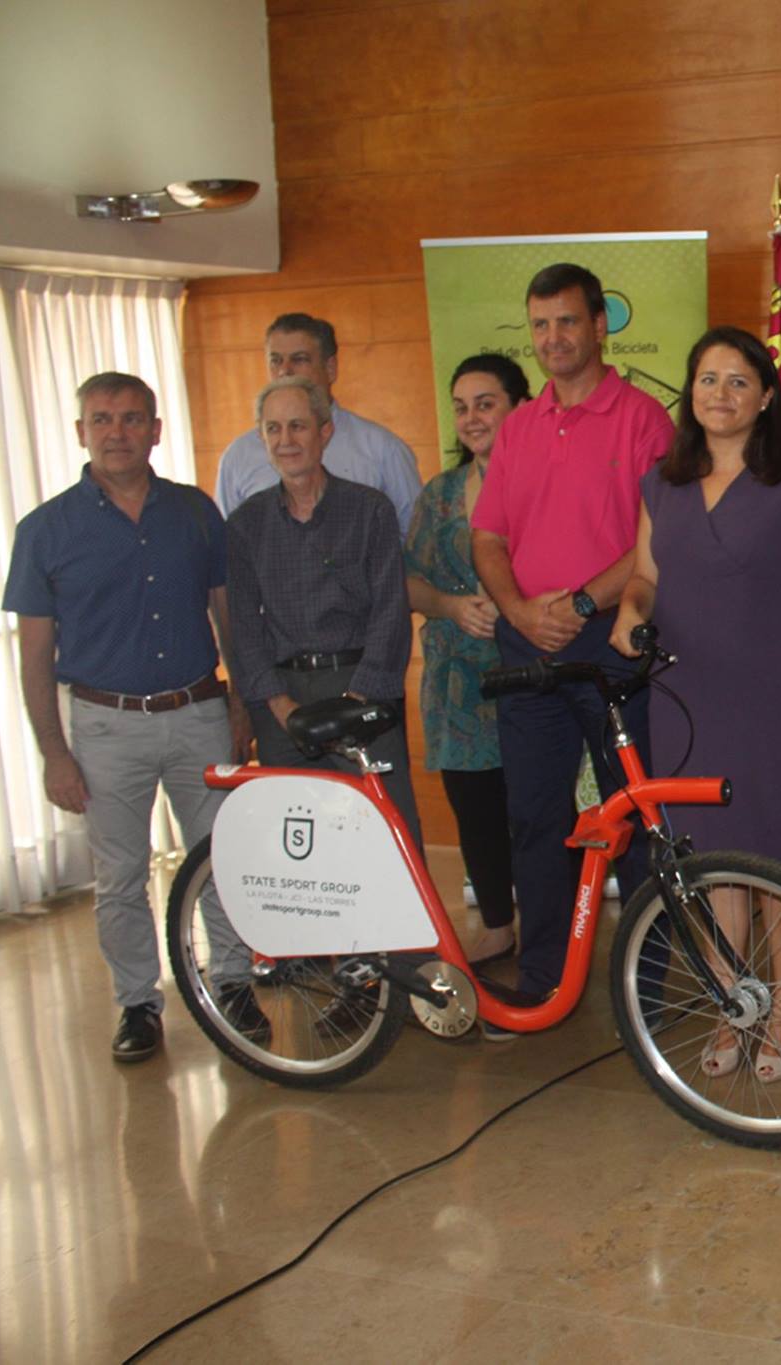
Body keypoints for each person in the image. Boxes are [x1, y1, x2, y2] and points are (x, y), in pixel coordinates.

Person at [613, 326, 781, 1082]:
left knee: (779, 862)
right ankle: (732, 1003)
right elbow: (645, 575)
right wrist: (629, 609)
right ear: (690, 392)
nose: (721, 394)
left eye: (739, 381)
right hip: (687, 702)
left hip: (777, 702)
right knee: (712, 867)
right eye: (708, 379)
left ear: (766, 397)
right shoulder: (661, 484)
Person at [4, 372, 259, 1063]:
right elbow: (34, 656)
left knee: (221, 857)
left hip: (199, 711)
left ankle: (233, 982)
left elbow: (228, 615)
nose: (117, 432)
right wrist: (53, 753)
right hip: (104, 727)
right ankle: (138, 1002)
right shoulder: (44, 530)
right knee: (120, 874)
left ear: (155, 430)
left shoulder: (195, 512)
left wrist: (240, 702)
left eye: (131, 418)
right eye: (102, 419)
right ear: (80, 432)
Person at [471, 263, 676, 1006]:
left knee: (635, 814)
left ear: (598, 325)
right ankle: (543, 980)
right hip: (527, 644)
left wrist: (583, 604)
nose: (553, 337)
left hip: (609, 644)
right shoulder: (518, 426)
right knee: (534, 817)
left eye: (566, 321)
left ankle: (648, 987)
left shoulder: (645, 420)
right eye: (540, 325)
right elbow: (488, 538)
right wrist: (523, 612)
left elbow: (659, 540)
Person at [227, 376, 420, 840]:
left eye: (297, 426)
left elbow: (391, 613)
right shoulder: (246, 524)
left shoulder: (370, 510)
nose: (286, 440)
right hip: (282, 701)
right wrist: (279, 705)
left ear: (325, 431)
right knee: (302, 847)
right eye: (273, 429)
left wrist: (357, 702)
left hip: (360, 690)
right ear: (262, 438)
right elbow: (243, 626)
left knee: (387, 837)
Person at [405, 354, 528, 970]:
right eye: (461, 407)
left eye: (486, 403)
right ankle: (499, 927)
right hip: (457, 684)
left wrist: (514, 605)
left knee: (536, 811)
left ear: (519, 408)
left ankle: (552, 930)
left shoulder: (545, 483)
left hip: (530, 669)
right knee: (475, 813)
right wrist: (453, 606)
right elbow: (408, 582)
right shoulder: (439, 495)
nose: (472, 417)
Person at [213, 312, 423, 531]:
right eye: (275, 361)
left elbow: (414, 537)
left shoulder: (381, 450)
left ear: (330, 368)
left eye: (299, 359)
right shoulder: (239, 456)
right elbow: (228, 542)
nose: (284, 371)